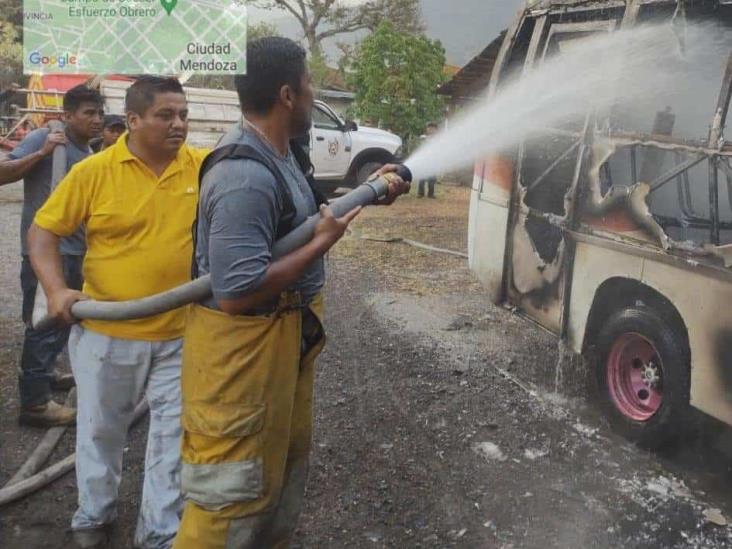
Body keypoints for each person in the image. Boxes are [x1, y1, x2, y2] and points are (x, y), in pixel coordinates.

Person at [173, 37, 409, 549]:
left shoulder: (283, 153)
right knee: (231, 499)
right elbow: (236, 290)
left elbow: (304, 222)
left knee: (278, 476)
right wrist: (322, 243)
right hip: (244, 362)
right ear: (286, 95)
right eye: (308, 87)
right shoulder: (242, 175)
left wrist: (371, 191)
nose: (310, 96)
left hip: (285, 344)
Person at [28, 76, 209, 549]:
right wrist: (56, 290)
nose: (179, 124)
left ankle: (160, 533)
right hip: (108, 330)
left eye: (184, 115)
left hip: (182, 332)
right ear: (132, 120)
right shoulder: (94, 172)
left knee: (173, 438)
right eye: (166, 115)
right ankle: (93, 514)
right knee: (100, 431)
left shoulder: (206, 168)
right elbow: (43, 234)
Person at [0, 85, 103, 427]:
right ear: (67, 115)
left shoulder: (87, 150)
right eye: (89, 113)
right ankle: (34, 403)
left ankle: (43, 377)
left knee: (62, 316)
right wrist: (41, 153)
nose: (97, 120)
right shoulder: (47, 139)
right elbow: (2, 173)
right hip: (45, 251)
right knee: (42, 323)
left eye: (99, 113)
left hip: (75, 250)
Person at [418, 122, 439, 199]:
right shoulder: (423, 137)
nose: (430, 130)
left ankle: (431, 194)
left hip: (433, 161)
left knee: (432, 178)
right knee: (422, 178)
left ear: (436, 130)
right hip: (423, 161)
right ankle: (420, 193)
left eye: (433, 129)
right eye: (429, 128)